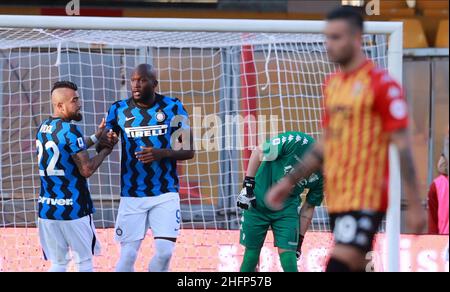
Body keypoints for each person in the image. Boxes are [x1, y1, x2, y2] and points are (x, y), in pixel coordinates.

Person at [265, 6, 426, 272]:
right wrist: (289, 181)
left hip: (367, 196)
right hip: (338, 197)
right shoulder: (333, 86)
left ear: (357, 37)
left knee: (337, 266)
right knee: (356, 266)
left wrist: (416, 204)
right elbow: (326, 143)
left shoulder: (382, 84)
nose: (329, 44)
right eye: (327, 37)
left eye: (336, 37)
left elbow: (403, 144)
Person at [98, 64, 195, 272]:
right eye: (133, 80)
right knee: (128, 256)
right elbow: (104, 143)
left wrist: (162, 153)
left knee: (164, 253)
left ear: (154, 84)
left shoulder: (173, 107)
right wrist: (105, 138)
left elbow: (188, 151)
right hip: (132, 194)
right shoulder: (118, 109)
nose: (136, 84)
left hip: (165, 192)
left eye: (142, 80)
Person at [36, 81, 118, 272]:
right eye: (74, 100)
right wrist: (106, 151)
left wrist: (97, 137)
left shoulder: (43, 128)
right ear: (60, 105)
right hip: (74, 209)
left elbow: (68, 150)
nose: (79, 104)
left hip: (47, 210)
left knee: (59, 264)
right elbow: (86, 169)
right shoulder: (71, 131)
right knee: (84, 263)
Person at [237, 131, 324, 272]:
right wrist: (248, 186)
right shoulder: (297, 141)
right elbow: (259, 151)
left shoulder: (324, 177)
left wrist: (300, 240)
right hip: (257, 201)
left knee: (289, 259)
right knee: (251, 257)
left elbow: (308, 207)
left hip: (286, 208)